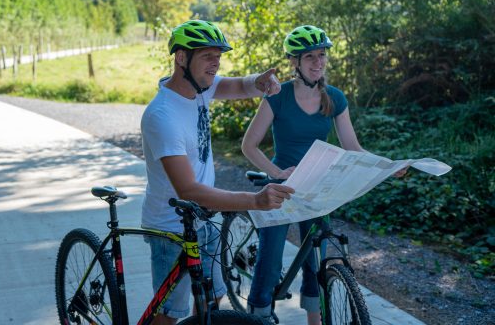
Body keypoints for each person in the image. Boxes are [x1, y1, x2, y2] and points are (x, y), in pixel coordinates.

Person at [241, 24, 407, 325]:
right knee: (271, 258)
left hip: (317, 187)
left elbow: (352, 147)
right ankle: (259, 316)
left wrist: (389, 165)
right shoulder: (278, 96)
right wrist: (278, 172)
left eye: (321, 55)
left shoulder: (334, 98)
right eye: (310, 57)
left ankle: (315, 320)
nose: (318, 62)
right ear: (295, 62)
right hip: (282, 186)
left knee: (313, 256)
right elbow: (248, 146)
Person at [141, 19, 296, 325]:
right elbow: (189, 190)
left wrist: (259, 81)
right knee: (170, 314)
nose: (216, 62)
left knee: (212, 300)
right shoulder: (162, 116)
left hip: (203, 220)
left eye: (219, 55)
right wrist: (255, 201)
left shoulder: (199, 89)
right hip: (170, 228)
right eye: (207, 55)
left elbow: (237, 85)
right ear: (181, 58)